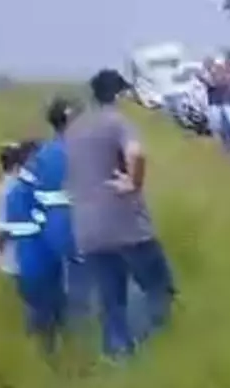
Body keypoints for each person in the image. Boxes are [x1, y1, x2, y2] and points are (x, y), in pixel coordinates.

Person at [65, 68, 176, 358]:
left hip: (87, 229)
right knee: (159, 287)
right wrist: (133, 183)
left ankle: (120, 355)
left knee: (111, 301)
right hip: (126, 225)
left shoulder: (74, 130)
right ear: (118, 94)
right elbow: (136, 154)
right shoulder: (117, 122)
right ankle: (156, 347)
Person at [20, 97, 91, 325]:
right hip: (79, 221)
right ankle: (81, 334)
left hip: (49, 224)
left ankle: (51, 332)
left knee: (53, 281)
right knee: (82, 282)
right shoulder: (84, 151)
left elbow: (26, 193)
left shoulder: (41, 155)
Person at [0, 139, 67, 353]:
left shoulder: (11, 192)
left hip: (27, 260)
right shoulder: (28, 192)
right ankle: (51, 353)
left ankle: (42, 351)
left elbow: (7, 230)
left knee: (39, 308)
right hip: (42, 259)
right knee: (49, 310)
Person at [0, 142, 26, 276]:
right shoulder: (19, 186)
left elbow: (2, 224)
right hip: (21, 248)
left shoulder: (3, 187)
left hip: (15, 248)